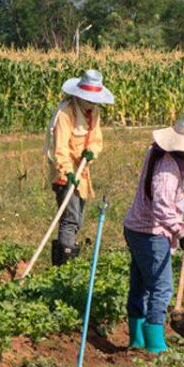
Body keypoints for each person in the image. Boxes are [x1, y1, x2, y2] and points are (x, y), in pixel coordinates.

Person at [123, 110, 184, 353]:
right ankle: (155, 344)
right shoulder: (168, 168)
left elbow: (161, 188)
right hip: (151, 232)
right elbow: (162, 206)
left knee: (140, 285)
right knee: (162, 287)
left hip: (135, 227)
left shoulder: (158, 152)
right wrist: (181, 232)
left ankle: (137, 339)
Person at [44, 69, 111, 266]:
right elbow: (60, 148)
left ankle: (62, 263)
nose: (92, 103)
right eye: (88, 99)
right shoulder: (65, 114)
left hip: (81, 172)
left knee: (77, 219)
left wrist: (91, 152)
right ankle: (64, 267)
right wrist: (68, 172)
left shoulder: (94, 112)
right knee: (70, 220)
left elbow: (96, 140)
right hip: (65, 172)